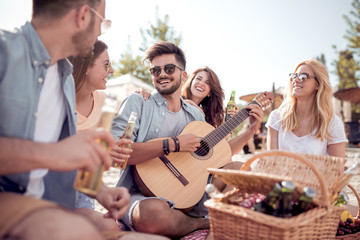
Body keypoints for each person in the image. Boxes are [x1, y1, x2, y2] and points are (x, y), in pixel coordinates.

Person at [0, 1, 134, 239]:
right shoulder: (5, 51)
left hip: (46, 207)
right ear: (83, 16)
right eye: (103, 22)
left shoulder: (65, 78)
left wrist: (102, 192)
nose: (101, 32)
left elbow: (67, 160)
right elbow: (57, 155)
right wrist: (55, 154)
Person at [111, 41, 264, 238]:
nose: (162, 74)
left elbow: (217, 157)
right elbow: (116, 154)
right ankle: (201, 223)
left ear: (183, 74)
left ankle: (191, 219)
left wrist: (250, 131)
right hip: (141, 195)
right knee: (152, 214)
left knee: (240, 170)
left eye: (169, 68)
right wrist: (173, 144)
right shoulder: (138, 102)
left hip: (189, 193)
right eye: (155, 70)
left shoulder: (195, 114)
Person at [69, 40, 170, 239]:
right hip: (57, 185)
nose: (112, 70)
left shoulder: (104, 101)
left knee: (110, 227)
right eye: (106, 64)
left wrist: (142, 97)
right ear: (86, 66)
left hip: (85, 189)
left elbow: (112, 143)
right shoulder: (59, 100)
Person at [266, 59, 348, 157]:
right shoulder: (276, 117)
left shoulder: (332, 122)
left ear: (317, 84)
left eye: (303, 77)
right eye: (294, 76)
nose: (296, 80)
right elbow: (270, 161)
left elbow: (336, 169)